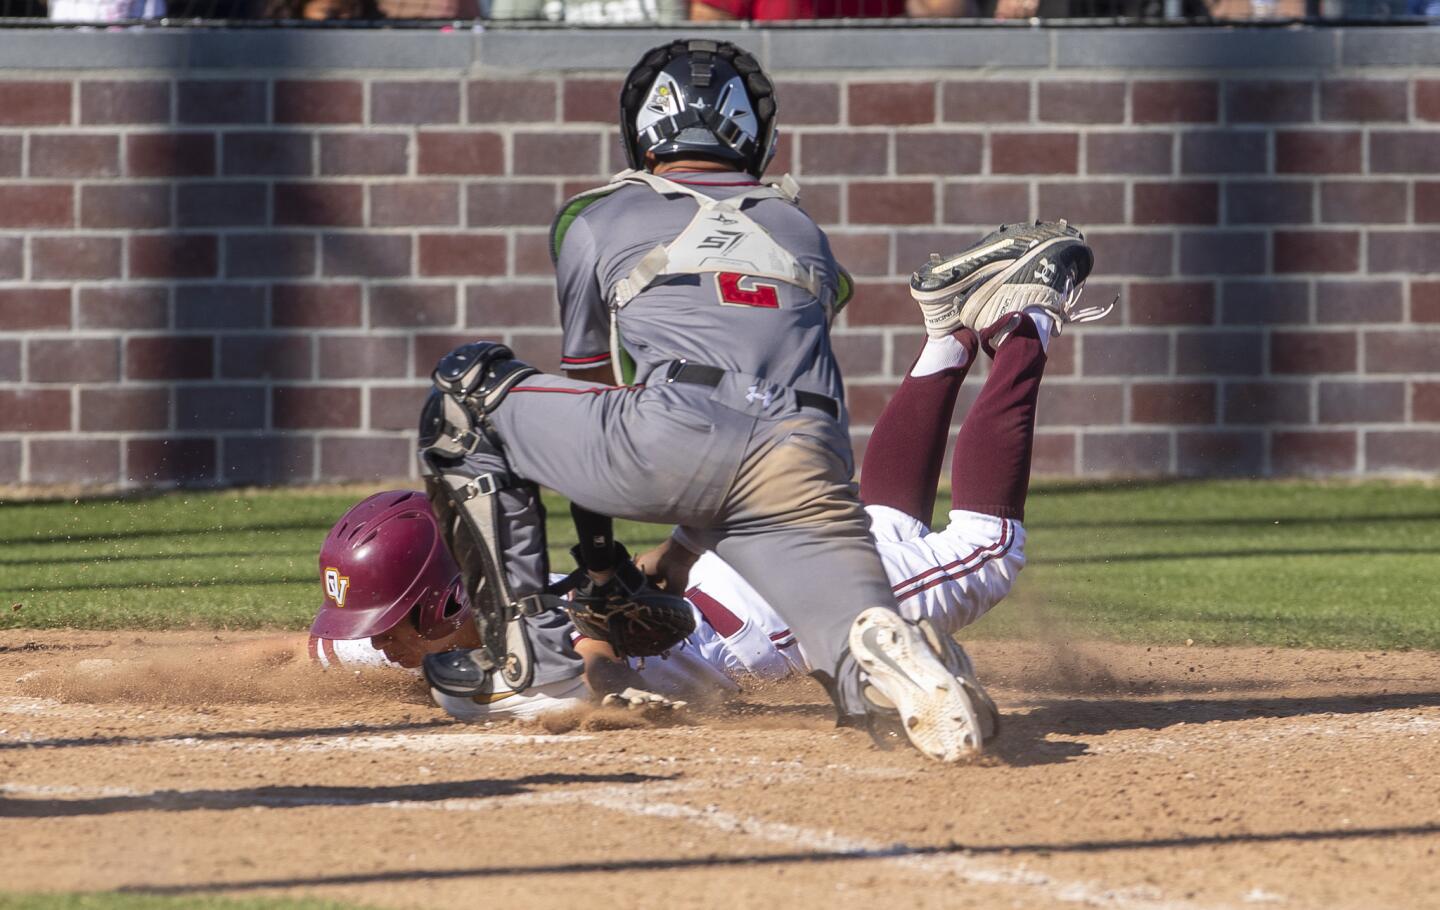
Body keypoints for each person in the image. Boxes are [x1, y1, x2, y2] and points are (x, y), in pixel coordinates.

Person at [316, 223, 1107, 736]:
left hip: (766, 619)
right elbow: (330, 643)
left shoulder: (517, 625)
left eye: (392, 631)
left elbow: (591, 664)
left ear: (446, 600)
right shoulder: (457, 616)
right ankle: (948, 330)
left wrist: (603, 683)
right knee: (888, 522)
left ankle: (1024, 317)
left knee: (987, 546)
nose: (381, 648)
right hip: (731, 576)